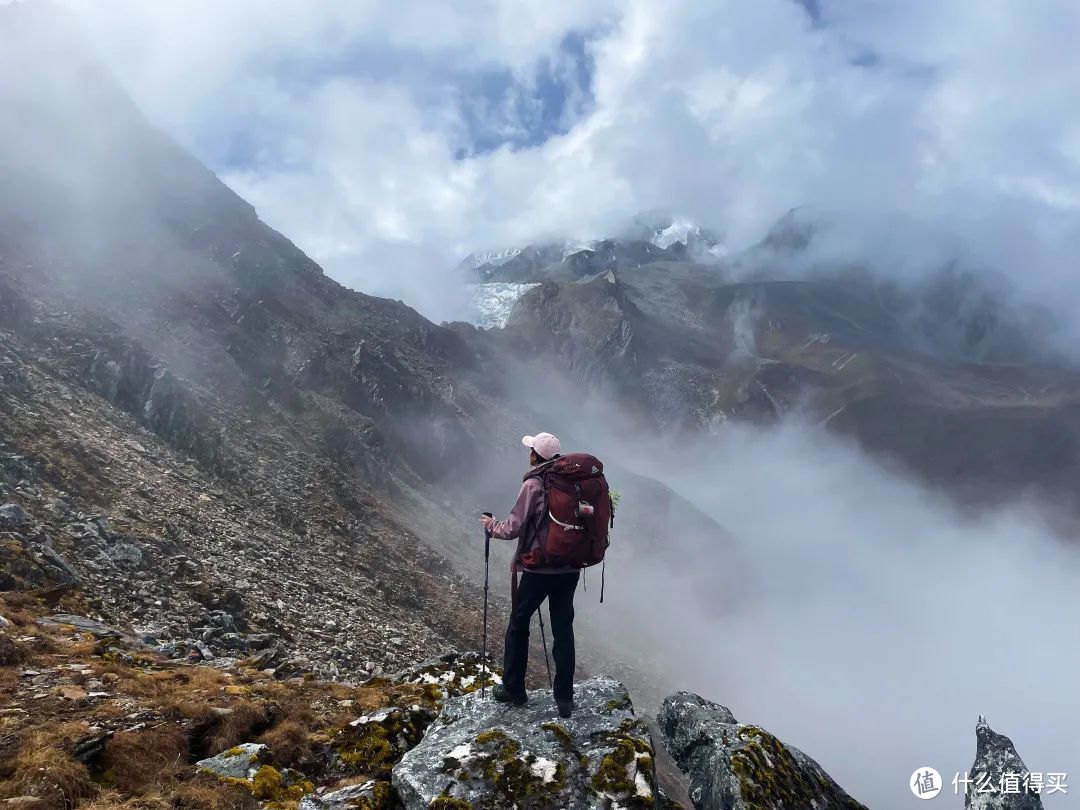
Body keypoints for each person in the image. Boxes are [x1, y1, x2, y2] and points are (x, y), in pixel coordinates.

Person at [481, 431, 579, 718]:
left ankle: (514, 688)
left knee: (518, 622)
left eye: (531, 449)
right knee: (563, 628)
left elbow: (513, 527)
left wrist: (490, 526)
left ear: (536, 455)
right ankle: (564, 698)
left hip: (539, 569)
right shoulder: (571, 483)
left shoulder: (534, 484)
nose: (528, 453)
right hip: (569, 568)